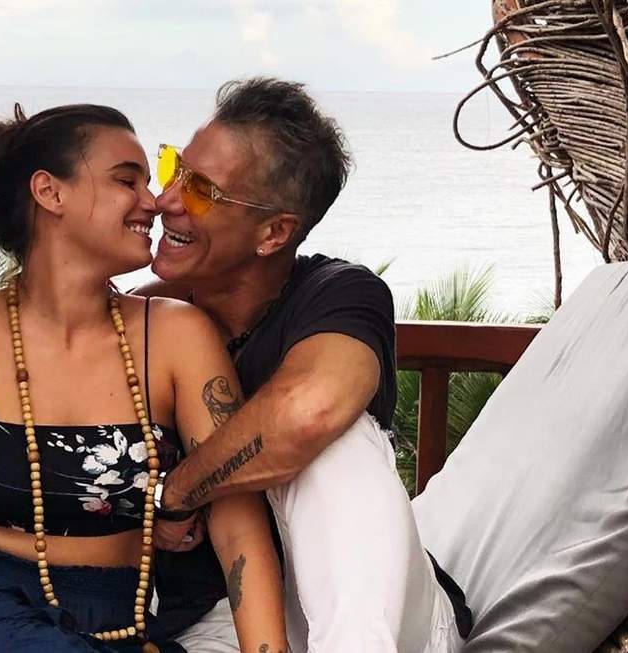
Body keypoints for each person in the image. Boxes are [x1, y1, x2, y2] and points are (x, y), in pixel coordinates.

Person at [0, 103, 288, 653]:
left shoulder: (178, 336)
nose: (155, 202)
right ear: (50, 192)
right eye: (127, 181)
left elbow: (238, 527)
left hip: (116, 620)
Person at [135, 78, 473, 652]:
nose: (166, 200)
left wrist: (177, 492)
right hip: (222, 619)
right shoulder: (145, 321)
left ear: (273, 233)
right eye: (174, 169)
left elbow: (308, 411)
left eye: (200, 190)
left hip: (384, 621)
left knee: (332, 442)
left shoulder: (336, 294)